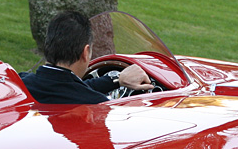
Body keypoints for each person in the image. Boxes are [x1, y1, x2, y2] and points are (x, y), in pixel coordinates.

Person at [20, 11, 153, 105]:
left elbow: (65, 85)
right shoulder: (96, 104)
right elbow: (73, 89)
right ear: (86, 52)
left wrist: (116, 79)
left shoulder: (19, 84)